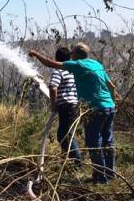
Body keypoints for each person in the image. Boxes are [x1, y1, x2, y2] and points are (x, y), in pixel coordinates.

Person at [29, 42, 117, 184]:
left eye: (72, 53)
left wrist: (35, 54)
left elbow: (50, 63)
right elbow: (111, 86)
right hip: (109, 107)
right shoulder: (97, 64)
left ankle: (100, 178)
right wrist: (113, 105)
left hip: (95, 109)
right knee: (108, 141)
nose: (71, 55)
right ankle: (110, 174)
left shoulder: (77, 65)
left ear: (75, 55)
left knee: (94, 143)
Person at [49, 47, 82, 165]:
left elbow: (53, 87)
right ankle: (66, 161)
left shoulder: (58, 71)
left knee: (66, 135)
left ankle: (78, 164)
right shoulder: (73, 71)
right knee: (63, 134)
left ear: (56, 59)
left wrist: (53, 105)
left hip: (66, 106)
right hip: (74, 106)